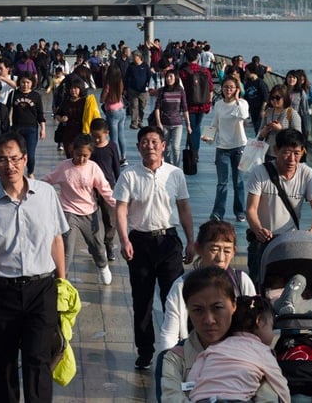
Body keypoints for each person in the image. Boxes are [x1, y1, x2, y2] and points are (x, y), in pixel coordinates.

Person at [0, 132, 69, 403]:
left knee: (39, 360)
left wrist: (62, 283)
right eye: (2, 160)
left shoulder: (46, 194)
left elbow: (56, 239)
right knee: (2, 364)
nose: (9, 165)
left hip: (42, 289)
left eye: (14, 158)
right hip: (0, 291)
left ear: (25, 159)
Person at [114, 126, 196, 370]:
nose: (150, 146)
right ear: (139, 146)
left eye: (154, 142)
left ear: (163, 145)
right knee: (142, 300)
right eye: (145, 142)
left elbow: (183, 208)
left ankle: (179, 348)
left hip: (168, 241)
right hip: (139, 242)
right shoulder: (129, 175)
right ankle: (145, 350)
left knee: (174, 297)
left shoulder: (175, 174)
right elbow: (120, 209)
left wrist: (191, 239)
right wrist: (124, 240)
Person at [156, 219, 257, 353]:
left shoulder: (242, 281)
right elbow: (170, 334)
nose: (220, 258)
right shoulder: (181, 286)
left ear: (234, 252)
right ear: (199, 249)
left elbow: (253, 327)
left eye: (227, 250)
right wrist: (168, 361)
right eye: (214, 249)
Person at [245, 129, 312, 286]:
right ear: (276, 150)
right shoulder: (260, 172)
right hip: (262, 240)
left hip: (289, 242)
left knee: (286, 285)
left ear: (303, 152)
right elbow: (251, 209)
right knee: (257, 284)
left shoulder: (307, 174)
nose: (292, 159)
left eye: (297, 153)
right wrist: (258, 229)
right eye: (287, 152)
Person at [154, 266, 237, 403]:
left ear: (234, 305)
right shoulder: (172, 360)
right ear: (187, 310)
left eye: (217, 308)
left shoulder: (256, 355)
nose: (209, 320)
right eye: (198, 310)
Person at [187, 295, 291, 403]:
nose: (272, 333)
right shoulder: (263, 351)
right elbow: (279, 383)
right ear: (258, 321)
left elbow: (192, 377)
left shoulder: (214, 347)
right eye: (271, 326)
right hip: (235, 399)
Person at [43, 134, 114, 285]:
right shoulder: (64, 167)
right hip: (68, 212)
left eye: (85, 156)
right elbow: (47, 180)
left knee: (97, 245)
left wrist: (118, 205)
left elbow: (104, 189)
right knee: (67, 248)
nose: (81, 159)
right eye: (78, 155)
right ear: (72, 150)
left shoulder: (93, 168)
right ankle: (62, 278)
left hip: (90, 212)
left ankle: (102, 266)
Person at [203, 77, 250, 222]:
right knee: (222, 182)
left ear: (237, 89)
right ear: (221, 88)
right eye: (226, 87)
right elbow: (215, 122)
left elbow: (243, 116)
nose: (228, 90)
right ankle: (218, 212)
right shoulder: (218, 105)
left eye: (232, 87)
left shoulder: (242, 103)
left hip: (239, 147)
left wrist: (236, 99)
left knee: (238, 182)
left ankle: (240, 211)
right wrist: (209, 136)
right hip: (222, 147)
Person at [89, 118, 121, 262]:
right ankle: (93, 245)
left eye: (98, 137)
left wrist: (119, 185)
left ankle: (108, 243)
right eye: (93, 136)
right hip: (91, 188)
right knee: (91, 218)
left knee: (110, 219)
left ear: (107, 133)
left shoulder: (112, 146)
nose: (96, 140)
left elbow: (116, 167)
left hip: (108, 187)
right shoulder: (90, 147)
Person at [8, 73, 46, 178]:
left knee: (30, 153)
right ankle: (17, 171)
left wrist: (43, 129)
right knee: (16, 153)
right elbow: (7, 111)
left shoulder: (36, 96)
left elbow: (40, 114)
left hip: (31, 128)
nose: (25, 85)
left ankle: (30, 172)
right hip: (16, 128)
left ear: (32, 83)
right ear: (19, 82)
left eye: (28, 82)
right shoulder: (13, 94)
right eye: (23, 82)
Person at [178, 48, 214, 158]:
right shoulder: (205, 71)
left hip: (189, 104)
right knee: (197, 126)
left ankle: (193, 151)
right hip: (203, 103)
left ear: (186, 59)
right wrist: (210, 102)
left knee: (192, 126)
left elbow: (180, 89)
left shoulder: (183, 72)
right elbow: (211, 88)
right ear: (198, 58)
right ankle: (195, 150)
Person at [153, 69, 190, 167]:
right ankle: (168, 165)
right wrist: (159, 123)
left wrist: (188, 124)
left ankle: (176, 168)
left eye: (171, 77)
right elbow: (157, 108)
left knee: (175, 147)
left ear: (175, 78)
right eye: (167, 77)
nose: (168, 79)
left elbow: (185, 108)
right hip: (165, 124)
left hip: (177, 124)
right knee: (166, 148)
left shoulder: (180, 91)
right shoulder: (162, 91)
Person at [257, 84, 301, 161]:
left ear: (285, 98)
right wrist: (263, 132)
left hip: (285, 155)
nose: (274, 100)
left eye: (277, 98)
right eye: (272, 98)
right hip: (268, 153)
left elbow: (298, 137)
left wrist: (281, 130)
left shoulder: (291, 113)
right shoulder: (268, 112)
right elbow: (260, 134)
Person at [100, 63, 129, 162]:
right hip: (121, 109)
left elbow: (102, 99)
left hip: (112, 111)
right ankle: (124, 157)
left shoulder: (108, 84)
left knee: (113, 138)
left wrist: (104, 98)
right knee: (122, 135)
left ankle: (115, 158)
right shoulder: (120, 82)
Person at [125, 51, 151, 129]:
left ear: (139, 57)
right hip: (133, 90)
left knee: (142, 107)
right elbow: (126, 78)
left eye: (134, 57)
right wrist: (126, 89)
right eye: (132, 57)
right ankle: (134, 123)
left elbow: (149, 76)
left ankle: (140, 121)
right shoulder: (131, 66)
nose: (133, 58)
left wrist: (149, 86)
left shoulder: (145, 66)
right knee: (134, 106)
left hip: (143, 91)